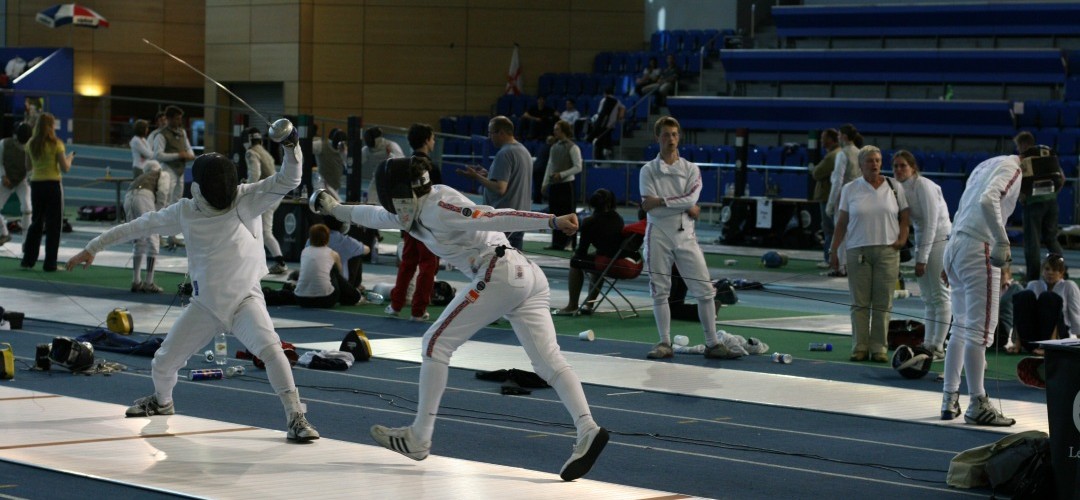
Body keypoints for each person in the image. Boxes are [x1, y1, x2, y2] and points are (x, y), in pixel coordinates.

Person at [309, 155, 608, 482]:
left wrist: (550, 220)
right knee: (549, 361)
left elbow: (494, 216)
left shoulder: (440, 205)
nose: (395, 210)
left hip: (500, 271)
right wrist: (334, 208)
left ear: (408, 192)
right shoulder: (413, 209)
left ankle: (419, 437)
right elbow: (376, 215)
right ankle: (587, 428)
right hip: (522, 277)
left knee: (435, 343)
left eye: (397, 201)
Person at [66, 125, 321, 441]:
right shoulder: (187, 211)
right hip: (206, 306)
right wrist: (92, 247)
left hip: (245, 301)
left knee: (272, 351)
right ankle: (162, 403)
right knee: (162, 363)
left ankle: (297, 417)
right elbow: (136, 226)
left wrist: (292, 145)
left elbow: (290, 178)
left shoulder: (246, 199)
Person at [640, 116, 748, 360]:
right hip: (657, 234)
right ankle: (664, 342)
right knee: (660, 291)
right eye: (666, 135)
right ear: (658, 138)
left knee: (705, 290)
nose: (671, 139)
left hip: (686, 236)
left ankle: (712, 344)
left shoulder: (691, 169)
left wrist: (664, 201)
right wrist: (682, 205)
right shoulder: (648, 170)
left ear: (679, 137)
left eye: (675, 134)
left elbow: (689, 200)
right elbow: (652, 207)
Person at [940, 148, 1027, 427]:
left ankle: (949, 398)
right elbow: (988, 199)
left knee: (961, 327)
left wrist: (952, 253)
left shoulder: (985, 165)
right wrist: (1002, 240)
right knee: (979, 331)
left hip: (956, 243)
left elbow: (966, 203)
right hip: (980, 247)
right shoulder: (1014, 167)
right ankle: (977, 402)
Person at [829, 145, 909, 362]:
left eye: (877, 160)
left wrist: (902, 239)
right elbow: (842, 222)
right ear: (861, 164)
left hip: (888, 251)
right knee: (860, 302)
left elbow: (905, 216)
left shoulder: (894, 186)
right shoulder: (850, 189)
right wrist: (834, 249)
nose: (874, 164)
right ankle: (860, 346)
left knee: (883, 302)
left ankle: (879, 348)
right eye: (870, 161)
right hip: (858, 250)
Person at [892, 150, 952, 360]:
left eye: (903, 166)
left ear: (913, 168)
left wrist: (922, 258)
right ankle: (928, 342)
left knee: (940, 295)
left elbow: (931, 223)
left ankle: (938, 346)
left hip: (940, 240)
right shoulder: (900, 188)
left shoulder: (924, 185)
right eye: (896, 166)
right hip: (924, 239)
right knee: (928, 298)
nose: (899, 170)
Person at [386, 123, 442, 321]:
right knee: (428, 265)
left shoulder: (402, 165)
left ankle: (395, 305)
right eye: (433, 138)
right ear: (427, 140)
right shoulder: (431, 168)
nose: (434, 141)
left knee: (407, 264)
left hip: (408, 221)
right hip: (428, 224)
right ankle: (418, 311)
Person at [456, 115, 532, 250]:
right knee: (515, 263)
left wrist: (476, 177)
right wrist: (489, 174)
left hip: (504, 219)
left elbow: (500, 188)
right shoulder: (523, 151)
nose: (489, 137)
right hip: (520, 217)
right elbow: (511, 179)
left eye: (491, 133)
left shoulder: (505, 153)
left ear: (501, 132)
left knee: (497, 263)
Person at [553, 188, 624, 315]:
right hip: (618, 260)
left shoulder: (590, 222)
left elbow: (581, 252)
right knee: (596, 259)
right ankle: (589, 305)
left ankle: (572, 305)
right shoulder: (618, 219)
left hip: (606, 263)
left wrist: (576, 255)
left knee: (576, 262)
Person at [21, 113, 73, 272]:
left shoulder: (30, 143)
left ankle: (28, 260)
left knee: (36, 222)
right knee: (53, 225)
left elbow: (28, 167)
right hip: (52, 185)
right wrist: (70, 158)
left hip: (36, 185)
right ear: (51, 126)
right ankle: (50, 263)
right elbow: (65, 168)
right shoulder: (56, 144)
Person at [1014, 131, 1065, 282]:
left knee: (1033, 243)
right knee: (1051, 239)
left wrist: (1023, 197)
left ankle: (1032, 278)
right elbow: (1062, 178)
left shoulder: (1025, 157)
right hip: (1052, 203)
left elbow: (1021, 184)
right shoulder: (1047, 153)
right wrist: (1053, 194)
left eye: (1018, 146)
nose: (1018, 150)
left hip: (1034, 205)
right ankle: (1061, 272)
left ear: (1023, 144)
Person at [1010, 254, 1080, 355]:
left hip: (1058, 336)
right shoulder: (1033, 285)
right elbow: (1021, 313)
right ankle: (1018, 344)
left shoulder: (1069, 286)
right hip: (1033, 336)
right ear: (1042, 270)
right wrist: (1016, 341)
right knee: (1024, 295)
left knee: (1048, 297)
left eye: (1055, 270)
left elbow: (1076, 316)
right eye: (1047, 269)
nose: (1050, 272)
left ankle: (1049, 346)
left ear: (1061, 273)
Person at [123, 160, 174, 293]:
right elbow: (163, 191)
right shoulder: (162, 174)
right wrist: (159, 212)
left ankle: (136, 281)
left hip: (128, 198)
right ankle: (149, 282)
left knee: (138, 238)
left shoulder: (140, 177)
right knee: (153, 238)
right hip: (144, 198)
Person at [243, 127, 288, 274]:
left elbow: (255, 175)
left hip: (267, 197)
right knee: (257, 229)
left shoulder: (251, 152)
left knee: (264, 231)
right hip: (274, 195)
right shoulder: (264, 152)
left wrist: (244, 189)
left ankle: (280, 263)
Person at [152, 105, 195, 249]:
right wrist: (179, 155)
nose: (179, 121)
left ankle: (172, 236)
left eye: (180, 118)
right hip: (167, 171)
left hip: (180, 172)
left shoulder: (182, 132)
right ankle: (157, 237)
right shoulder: (161, 135)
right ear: (168, 119)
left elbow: (189, 150)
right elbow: (157, 155)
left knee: (177, 204)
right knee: (163, 204)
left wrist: (187, 155)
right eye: (176, 118)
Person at [825, 123, 864, 277]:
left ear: (845, 137)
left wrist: (830, 203)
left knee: (840, 233)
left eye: (840, 135)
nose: (838, 137)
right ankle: (849, 266)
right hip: (858, 197)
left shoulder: (843, 154)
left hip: (843, 198)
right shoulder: (860, 152)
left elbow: (837, 180)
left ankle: (840, 268)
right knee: (854, 234)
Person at [292, 223, 361, 307]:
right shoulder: (333, 254)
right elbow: (341, 278)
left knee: (302, 272)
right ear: (327, 238)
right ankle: (355, 295)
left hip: (301, 300)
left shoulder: (304, 252)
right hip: (326, 299)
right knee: (334, 271)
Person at [542, 120, 582, 251]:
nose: (554, 132)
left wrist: (562, 174)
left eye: (557, 129)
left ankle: (570, 243)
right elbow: (550, 165)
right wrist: (545, 183)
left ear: (564, 130)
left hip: (567, 185)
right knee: (555, 215)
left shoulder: (573, 147)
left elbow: (578, 167)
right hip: (555, 185)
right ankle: (556, 243)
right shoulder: (554, 147)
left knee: (569, 214)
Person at [0, 122, 33, 245]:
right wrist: (3, 176)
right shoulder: (4, 144)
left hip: (21, 181)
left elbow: (31, 169)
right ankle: (4, 233)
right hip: (6, 180)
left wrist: (25, 177)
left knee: (27, 208)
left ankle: (26, 243)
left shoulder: (31, 148)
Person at [811, 129, 840, 268]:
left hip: (828, 197)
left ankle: (829, 259)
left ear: (832, 139)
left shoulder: (832, 156)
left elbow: (816, 173)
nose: (822, 141)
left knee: (829, 229)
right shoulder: (837, 154)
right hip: (832, 197)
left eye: (824, 138)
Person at [361, 126, 404, 206]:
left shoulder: (391, 145)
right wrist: (344, 152)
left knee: (390, 203)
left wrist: (390, 155)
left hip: (392, 180)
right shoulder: (367, 149)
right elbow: (354, 162)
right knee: (370, 201)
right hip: (377, 178)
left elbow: (401, 163)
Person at [322, 216, 368, 290]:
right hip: (336, 288)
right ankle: (354, 287)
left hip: (306, 290)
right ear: (343, 225)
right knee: (357, 252)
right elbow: (366, 250)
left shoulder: (311, 240)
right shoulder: (345, 241)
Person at [586, 87, 625, 161]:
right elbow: (623, 108)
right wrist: (620, 117)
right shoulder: (617, 101)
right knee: (606, 141)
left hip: (603, 125)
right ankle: (607, 153)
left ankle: (600, 159)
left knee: (599, 142)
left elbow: (600, 113)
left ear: (605, 93)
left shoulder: (605, 100)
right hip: (610, 125)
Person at [316, 128, 348, 200]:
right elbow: (305, 147)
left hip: (335, 184)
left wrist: (344, 152)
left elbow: (348, 164)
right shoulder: (321, 145)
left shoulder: (343, 149)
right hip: (322, 183)